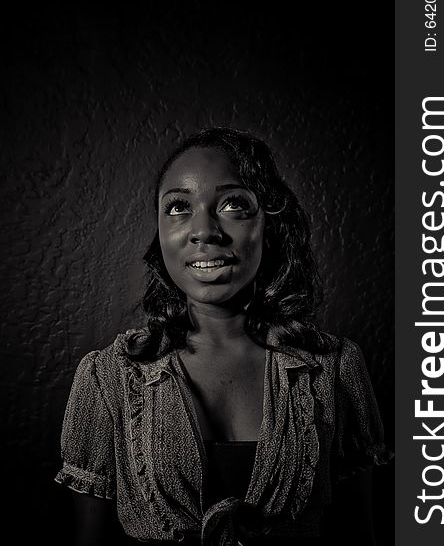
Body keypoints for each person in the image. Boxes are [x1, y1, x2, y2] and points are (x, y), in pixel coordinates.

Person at [55, 127, 391, 545]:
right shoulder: (107, 380)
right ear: (159, 233)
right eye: (178, 207)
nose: (204, 231)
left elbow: (361, 535)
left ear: (269, 224)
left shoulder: (334, 368)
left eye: (234, 204)